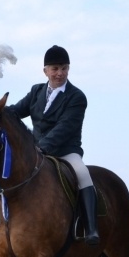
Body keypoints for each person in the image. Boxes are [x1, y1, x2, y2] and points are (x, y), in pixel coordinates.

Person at [9, 45, 100, 245]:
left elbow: (64, 127)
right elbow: (15, 111)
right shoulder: (36, 91)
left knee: (83, 175)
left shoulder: (76, 96)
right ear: (45, 71)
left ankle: (91, 228)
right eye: (55, 69)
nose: (59, 73)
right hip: (35, 152)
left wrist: (40, 148)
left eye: (64, 68)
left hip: (66, 152)